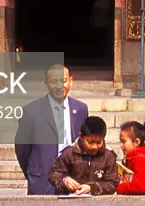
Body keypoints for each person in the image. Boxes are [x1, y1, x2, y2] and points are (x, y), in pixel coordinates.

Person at [14, 64, 89, 195]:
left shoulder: (81, 109)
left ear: (71, 81)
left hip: (74, 180)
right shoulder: (31, 111)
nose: (59, 86)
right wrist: (34, 171)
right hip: (43, 179)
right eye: (54, 81)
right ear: (46, 83)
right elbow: (22, 149)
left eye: (63, 81)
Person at [47, 116, 120, 196]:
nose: (94, 147)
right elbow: (54, 173)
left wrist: (92, 188)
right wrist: (65, 180)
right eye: (90, 142)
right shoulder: (69, 153)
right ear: (81, 137)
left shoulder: (108, 156)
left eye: (99, 142)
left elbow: (112, 183)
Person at [116, 120, 145, 196]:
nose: (121, 146)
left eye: (124, 142)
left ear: (136, 142)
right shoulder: (132, 158)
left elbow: (140, 187)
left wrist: (118, 187)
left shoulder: (141, 160)